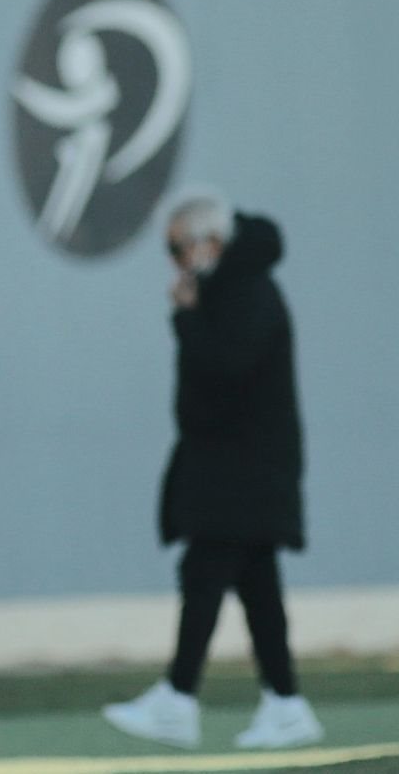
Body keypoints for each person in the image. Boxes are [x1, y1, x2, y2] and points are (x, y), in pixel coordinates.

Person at [103, 196, 322, 751]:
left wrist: (186, 316)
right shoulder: (237, 287)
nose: (174, 261)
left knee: (205, 573)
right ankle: (286, 703)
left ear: (209, 244)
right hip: (241, 467)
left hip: (242, 468)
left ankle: (179, 698)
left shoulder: (245, 291)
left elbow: (225, 370)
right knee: (257, 584)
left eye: (177, 247)